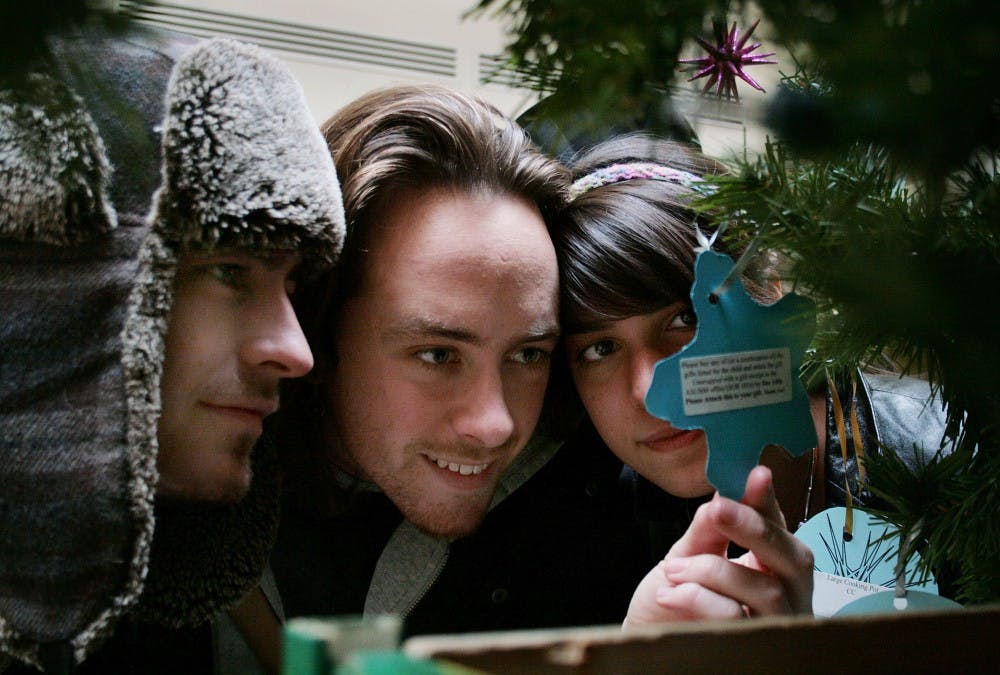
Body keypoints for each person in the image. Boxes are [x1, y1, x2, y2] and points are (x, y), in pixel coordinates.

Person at [259, 85, 656, 646]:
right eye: (438, 355)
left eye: (527, 355)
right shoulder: (186, 497)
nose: (495, 425)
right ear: (318, 330)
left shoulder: (599, 502)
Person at [1, 27, 344, 674]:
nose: (297, 351)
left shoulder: (165, 634)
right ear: (60, 300)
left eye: (292, 283)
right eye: (229, 271)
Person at [553, 133, 950, 625]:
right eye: (600, 348)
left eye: (686, 320)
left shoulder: (953, 459)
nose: (649, 393)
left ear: (771, 295)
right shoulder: (587, 520)